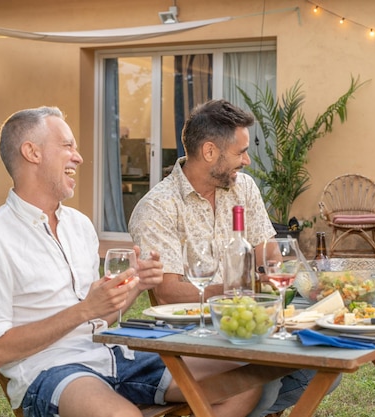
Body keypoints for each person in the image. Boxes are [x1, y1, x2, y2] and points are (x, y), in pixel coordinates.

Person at [0, 106, 263, 417]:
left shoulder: (79, 226)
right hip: (52, 369)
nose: (78, 157)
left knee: (243, 382)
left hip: (112, 355)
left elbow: (99, 320)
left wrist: (136, 284)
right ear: (32, 152)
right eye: (67, 146)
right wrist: (85, 309)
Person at [129, 99, 332, 417]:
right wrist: (233, 290)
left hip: (251, 326)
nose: (248, 161)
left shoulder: (243, 188)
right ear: (210, 152)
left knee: (325, 367)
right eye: (240, 152)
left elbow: (269, 253)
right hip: (193, 335)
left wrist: (282, 278)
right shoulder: (157, 207)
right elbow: (168, 291)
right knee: (257, 387)